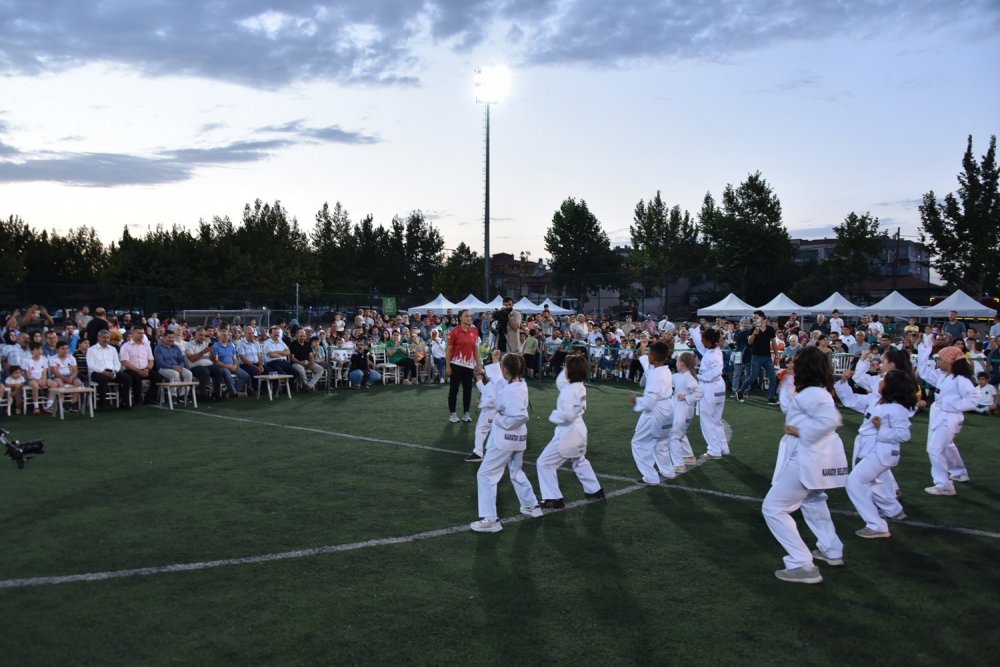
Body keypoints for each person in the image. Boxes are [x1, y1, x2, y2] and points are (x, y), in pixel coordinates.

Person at [762, 346, 848, 584]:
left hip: (808, 456)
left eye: (796, 363)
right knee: (813, 500)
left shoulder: (813, 394)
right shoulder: (815, 391)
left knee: (773, 508)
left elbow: (831, 420)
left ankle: (802, 563)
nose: (792, 365)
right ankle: (831, 549)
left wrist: (800, 431)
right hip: (816, 455)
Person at [836, 369, 917, 538]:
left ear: (891, 386)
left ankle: (877, 525)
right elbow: (851, 400)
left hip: (882, 452)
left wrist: (883, 428)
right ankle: (894, 510)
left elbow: (904, 434)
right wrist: (844, 382)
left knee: (854, 482)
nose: (879, 381)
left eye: (883, 379)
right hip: (870, 449)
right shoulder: (875, 399)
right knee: (873, 482)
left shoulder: (898, 409)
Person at [470, 353, 542, 533]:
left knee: (485, 475)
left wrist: (498, 418)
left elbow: (521, 416)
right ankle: (531, 505)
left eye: (502, 366)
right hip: (517, 440)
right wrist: (496, 361)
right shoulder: (518, 384)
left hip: (504, 440)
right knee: (516, 472)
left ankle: (491, 519)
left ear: (507, 369)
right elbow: (499, 381)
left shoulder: (511, 389)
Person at [535, 354, 604, 508]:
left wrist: (554, 416)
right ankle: (595, 490)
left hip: (568, 432)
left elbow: (566, 415)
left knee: (544, 463)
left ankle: (553, 498)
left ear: (569, 371)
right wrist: (569, 362)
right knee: (579, 461)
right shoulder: (579, 387)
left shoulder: (569, 391)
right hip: (579, 430)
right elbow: (561, 382)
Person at [917, 339, 978, 495]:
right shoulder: (942, 375)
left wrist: (951, 404)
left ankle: (944, 484)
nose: (938, 361)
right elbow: (923, 372)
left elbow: (973, 400)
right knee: (947, 446)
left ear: (950, 362)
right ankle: (959, 472)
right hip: (939, 413)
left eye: (940, 359)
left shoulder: (961, 380)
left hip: (950, 417)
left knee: (935, 449)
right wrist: (924, 349)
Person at [629, 340, 675, 484]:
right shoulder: (665, 370)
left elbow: (650, 400)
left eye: (649, 353)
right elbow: (646, 364)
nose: (647, 355)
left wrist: (636, 401)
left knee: (639, 443)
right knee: (661, 442)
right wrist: (643, 348)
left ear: (653, 357)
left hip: (655, 412)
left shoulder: (655, 375)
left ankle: (651, 476)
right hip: (667, 409)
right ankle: (668, 471)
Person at [465, 350, 504, 463]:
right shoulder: (493, 382)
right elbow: (486, 391)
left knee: (482, 431)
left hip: (490, 411)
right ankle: (483, 452)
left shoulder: (498, 380)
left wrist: (481, 403)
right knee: (486, 431)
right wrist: (479, 381)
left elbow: (493, 400)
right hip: (490, 411)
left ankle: (479, 453)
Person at [668, 352, 704, 471]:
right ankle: (688, 457)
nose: (676, 363)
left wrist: (686, 398)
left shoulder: (688, 377)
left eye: (677, 361)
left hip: (683, 409)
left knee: (673, 435)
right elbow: (667, 379)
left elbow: (700, 392)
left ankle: (679, 464)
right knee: (680, 433)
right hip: (679, 408)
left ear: (682, 363)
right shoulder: (679, 376)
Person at [446, 309, 483, 423]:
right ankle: (453, 414)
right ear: (460, 318)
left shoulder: (474, 332)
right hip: (456, 365)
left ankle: (466, 414)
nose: (469, 318)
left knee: (468, 390)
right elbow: (448, 351)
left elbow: (476, 350)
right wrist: (448, 366)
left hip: (469, 366)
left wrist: (479, 365)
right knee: (454, 390)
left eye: (470, 316)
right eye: (466, 316)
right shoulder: (454, 332)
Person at [736, 310, 778, 404]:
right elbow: (749, 343)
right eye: (753, 318)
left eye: (756, 317)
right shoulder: (752, 329)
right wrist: (755, 333)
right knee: (752, 377)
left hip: (767, 357)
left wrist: (777, 355)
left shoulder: (770, 329)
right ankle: (740, 391)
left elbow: (774, 343)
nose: (754, 319)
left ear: (762, 318)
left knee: (772, 377)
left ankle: (771, 397)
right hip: (756, 357)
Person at [87, 329, 133, 409]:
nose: (106, 340)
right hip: (97, 373)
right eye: (104, 337)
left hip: (112, 372)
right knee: (103, 379)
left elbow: (117, 363)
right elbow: (91, 365)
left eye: (108, 338)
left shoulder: (113, 349)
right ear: (98, 337)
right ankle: (103, 404)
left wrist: (114, 372)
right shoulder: (91, 350)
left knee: (127, 378)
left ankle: (124, 402)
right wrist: (103, 371)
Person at [119, 325, 159, 405]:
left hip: (145, 368)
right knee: (136, 378)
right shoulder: (126, 346)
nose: (141, 335)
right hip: (131, 369)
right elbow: (125, 362)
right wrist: (138, 371)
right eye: (139, 333)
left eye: (143, 333)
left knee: (158, 378)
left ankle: (149, 398)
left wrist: (147, 369)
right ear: (133, 334)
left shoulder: (146, 345)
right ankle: (138, 400)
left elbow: (151, 360)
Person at [187, 326, 224, 401]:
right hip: (195, 367)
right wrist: (203, 352)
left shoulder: (206, 344)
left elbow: (213, 360)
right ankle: (202, 395)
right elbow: (191, 359)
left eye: (204, 335)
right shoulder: (190, 345)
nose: (202, 337)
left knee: (219, 371)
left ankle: (216, 394)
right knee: (205, 372)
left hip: (208, 365)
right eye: (200, 335)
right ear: (195, 335)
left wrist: (212, 352)